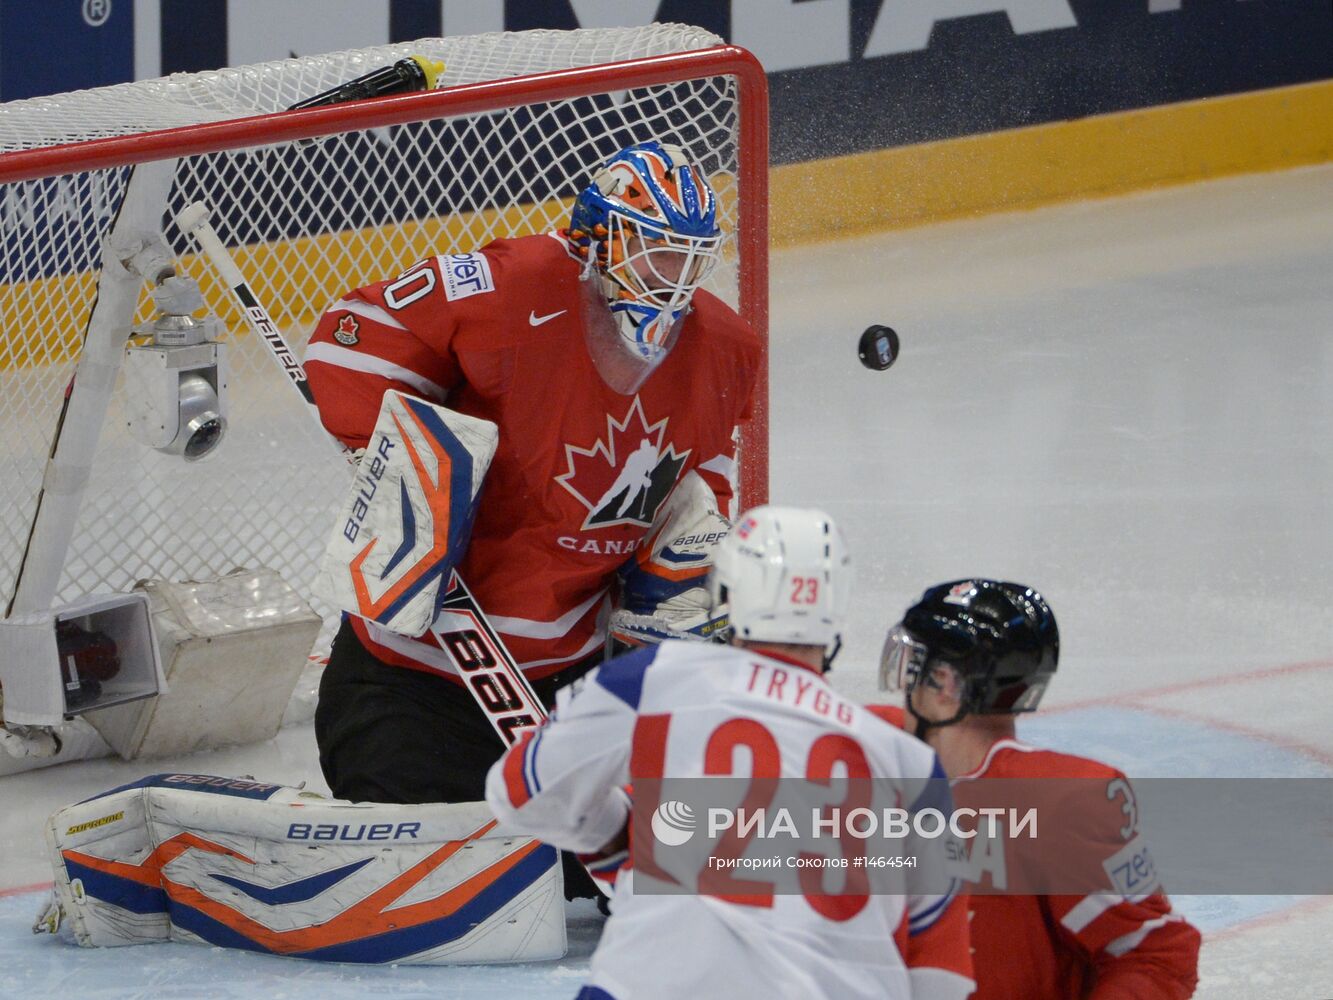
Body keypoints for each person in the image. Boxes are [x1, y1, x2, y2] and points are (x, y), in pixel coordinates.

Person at [302, 139, 759, 808]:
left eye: (690, 257)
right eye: (655, 249)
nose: (675, 276)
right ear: (597, 239)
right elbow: (348, 337)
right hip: (413, 676)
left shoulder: (725, 348)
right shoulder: (505, 285)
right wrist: (402, 464)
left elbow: (706, 475)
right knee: (434, 883)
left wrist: (667, 590)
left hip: (574, 679)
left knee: (652, 859)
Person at [486, 506, 976, 1000]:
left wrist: (621, 833)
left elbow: (520, 793)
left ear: (728, 594)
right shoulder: (908, 760)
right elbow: (942, 969)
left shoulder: (654, 677)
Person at [875, 579, 1201, 1000]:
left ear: (944, 684)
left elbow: (1156, 954)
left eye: (913, 669)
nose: (905, 688)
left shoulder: (1058, 803)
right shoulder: (867, 749)